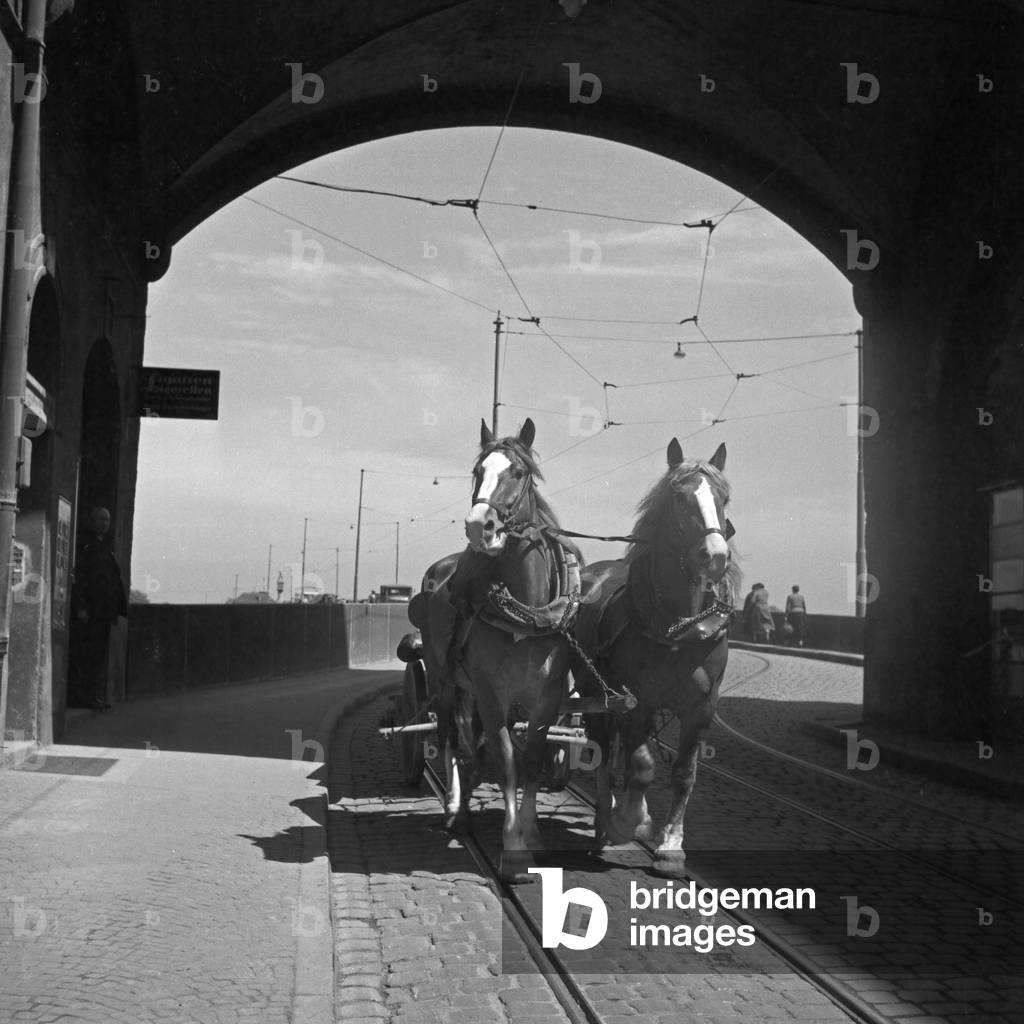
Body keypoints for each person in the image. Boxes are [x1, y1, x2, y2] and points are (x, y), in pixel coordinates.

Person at [68, 507, 127, 710]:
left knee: (97, 658)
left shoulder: (105, 548)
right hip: (89, 614)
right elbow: (78, 581)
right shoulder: (86, 546)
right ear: (91, 521)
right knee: (87, 657)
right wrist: (81, 607)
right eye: (101, 519)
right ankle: (83, 697)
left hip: (103, 614)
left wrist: (116, 611)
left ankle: (92, 696)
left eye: (108, 519)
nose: (105, 523)